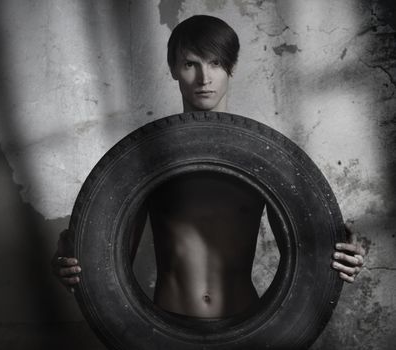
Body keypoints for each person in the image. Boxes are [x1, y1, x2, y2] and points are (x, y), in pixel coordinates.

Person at [52, 15, 365, 318]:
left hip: (248, 326)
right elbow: (111, 262)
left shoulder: (262, 157)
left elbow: (304, 256)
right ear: (174, 69)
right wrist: (75, 266)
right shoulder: (146, 158)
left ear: (231, 68)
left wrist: (338, 256)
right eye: (191, 64)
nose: (204, 78)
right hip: (167, 326)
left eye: (215, 63)